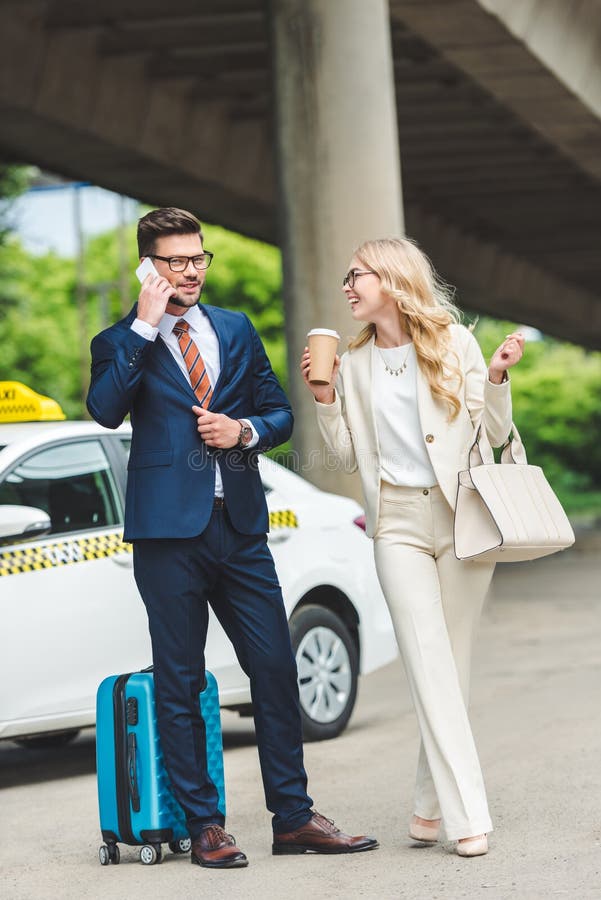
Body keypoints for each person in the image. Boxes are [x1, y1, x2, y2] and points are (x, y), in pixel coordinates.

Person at [87, 207, 377, 869]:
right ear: (149, 267)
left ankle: (294, 819)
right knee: (180, 681)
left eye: (197, 258)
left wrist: (241, 431)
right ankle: (205, 825)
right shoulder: (121, 339)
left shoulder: (235, 329)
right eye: (175, 261)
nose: (190, 270)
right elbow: (104, 409)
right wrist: (143, 323)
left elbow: (277, 409)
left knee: (275, 670)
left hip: (242, 528)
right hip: (167, 534)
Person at [301, 237, 524, 858]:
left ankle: (427, 809)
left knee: (450, 666)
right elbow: (346, 455)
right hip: (395, 522)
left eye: (357, 275)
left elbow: (496, 431)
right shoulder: (355, 360)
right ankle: (468, 816)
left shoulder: (455, 343)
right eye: (345, 278)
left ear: (392, 280)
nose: (347, 287)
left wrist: (499, 375)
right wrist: (325, 399)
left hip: (462, 515)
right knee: (427, 662)